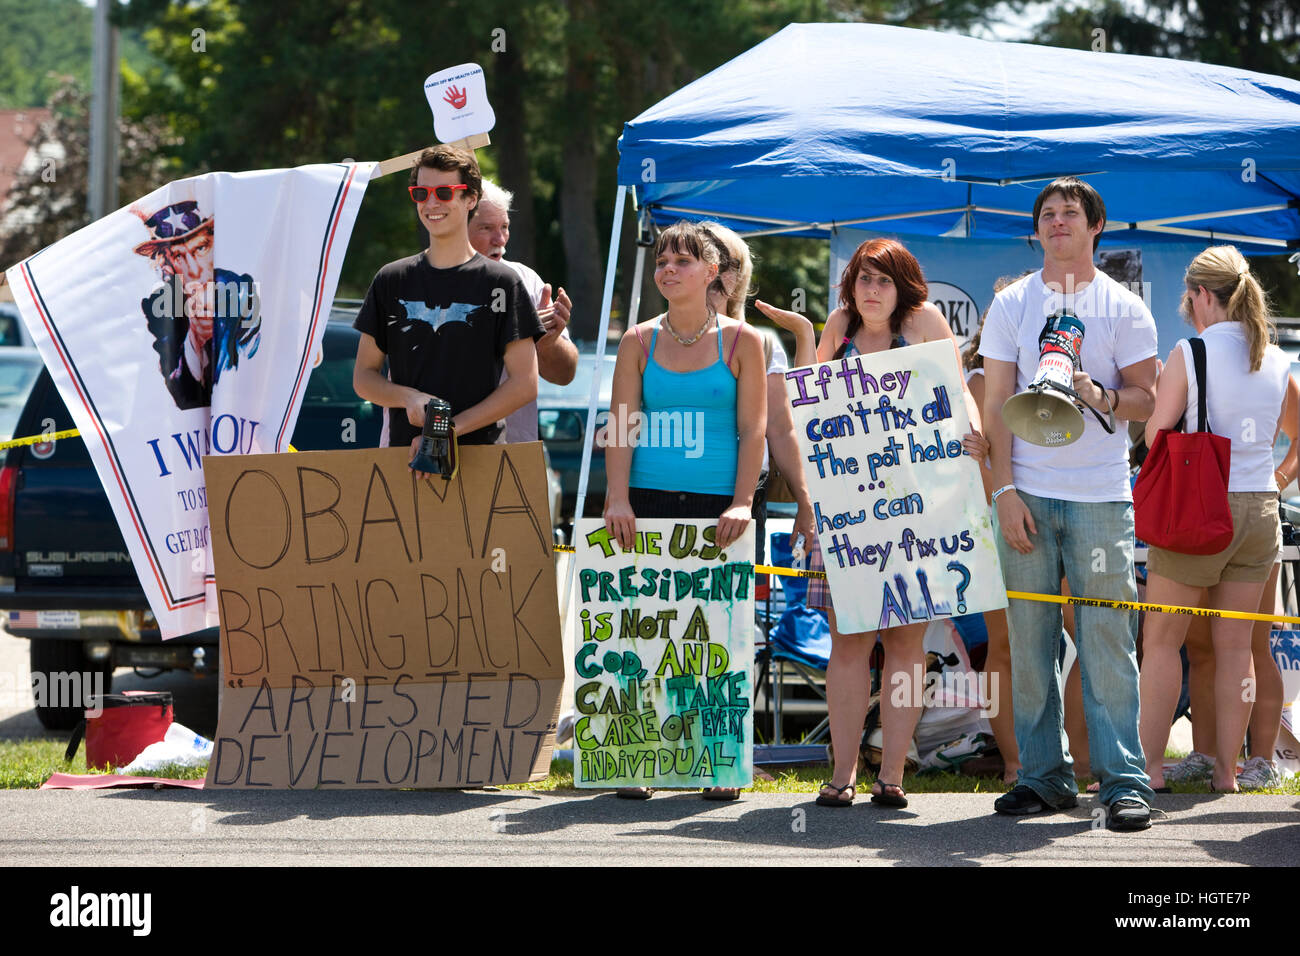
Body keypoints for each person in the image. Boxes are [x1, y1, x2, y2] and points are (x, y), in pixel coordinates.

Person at [980, 176, 1158, 830]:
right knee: (1028, 646)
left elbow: (1149, 396)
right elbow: (995, 403)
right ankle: (1043, 778)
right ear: (1038, 230)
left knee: (1108, 641)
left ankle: (1123, 783)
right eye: (1047, 214)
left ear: (1095, 227)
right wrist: (1001, 491)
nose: (1058, 221)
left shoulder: (1123, 308)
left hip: (1101, 499)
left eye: (1070, 213)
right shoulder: (1013, 305)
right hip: (1025, 494)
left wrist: (1100, 395)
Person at [806, 237, 984, 810]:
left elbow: (959, 394)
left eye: (883, 280)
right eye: (863, 278)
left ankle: (893, 775)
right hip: (849, 510)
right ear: (850, 284)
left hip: (917, 510)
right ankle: (841, 774)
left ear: (903, 285)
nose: (872, 290)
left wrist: (974, 433)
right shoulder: (838, 326)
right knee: (849, 641)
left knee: (907, 643)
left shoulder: (926, 321)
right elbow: (813, 418)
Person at [604, 220, 767, 801]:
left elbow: (754, 432)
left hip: (718, 507)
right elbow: (622, 426)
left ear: (713, 273)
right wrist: (616, 497)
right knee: (646, 630)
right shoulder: (637, 341)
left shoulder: (743, 341)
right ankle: (637, 758)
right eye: (663, 261)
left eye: (684, 261)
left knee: (714, 636)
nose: (669, 269)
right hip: (644, 502)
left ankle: (717, 760)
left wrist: (744, 501)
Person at [1138, 246, 1291, 794]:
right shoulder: (1274, 358)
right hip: (1260, 509)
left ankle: (1150, 769)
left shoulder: (1191, 351)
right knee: (1237, 649)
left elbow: (1156, 434)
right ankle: (1227, 772)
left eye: (1190, 294)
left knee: (1161, 641)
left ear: (1202, 295)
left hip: (1201, 504)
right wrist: (1277, 477)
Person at [352, 146, 544, 458]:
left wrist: (447, 430)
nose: (431, 203)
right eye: (421, 193)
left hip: (482, 463)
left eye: (443, 192)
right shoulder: (391, 279)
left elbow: (525, 384)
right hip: (403, 462)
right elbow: (364, 377)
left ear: (471, 199)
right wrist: (408, 398)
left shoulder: (503, 283)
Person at [697, 222, 816, 554]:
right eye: (704, 257)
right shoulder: (651, 340)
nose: (716, 271)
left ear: (740, 276)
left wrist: (804, 502)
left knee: (734, 605)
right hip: (664, 494)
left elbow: (780, 428)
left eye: (727, 262)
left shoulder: (761, 346)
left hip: (743, 503)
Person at [470, 180, 579, 442]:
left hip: (511, 452)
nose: (500, 240)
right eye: (487, 228)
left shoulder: (525, 281)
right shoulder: (423, 278)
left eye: (504, 227)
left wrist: (547, 341)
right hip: (433, 450)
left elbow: (565, 375)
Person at [132, 199, 261, 410]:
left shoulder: (243, 291)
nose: (193, 271)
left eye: (200, 248)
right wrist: (194, 338)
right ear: (168, 264)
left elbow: (252, 361)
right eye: (177, 256)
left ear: (216, 247)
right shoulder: (159, 307)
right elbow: (178, 394)